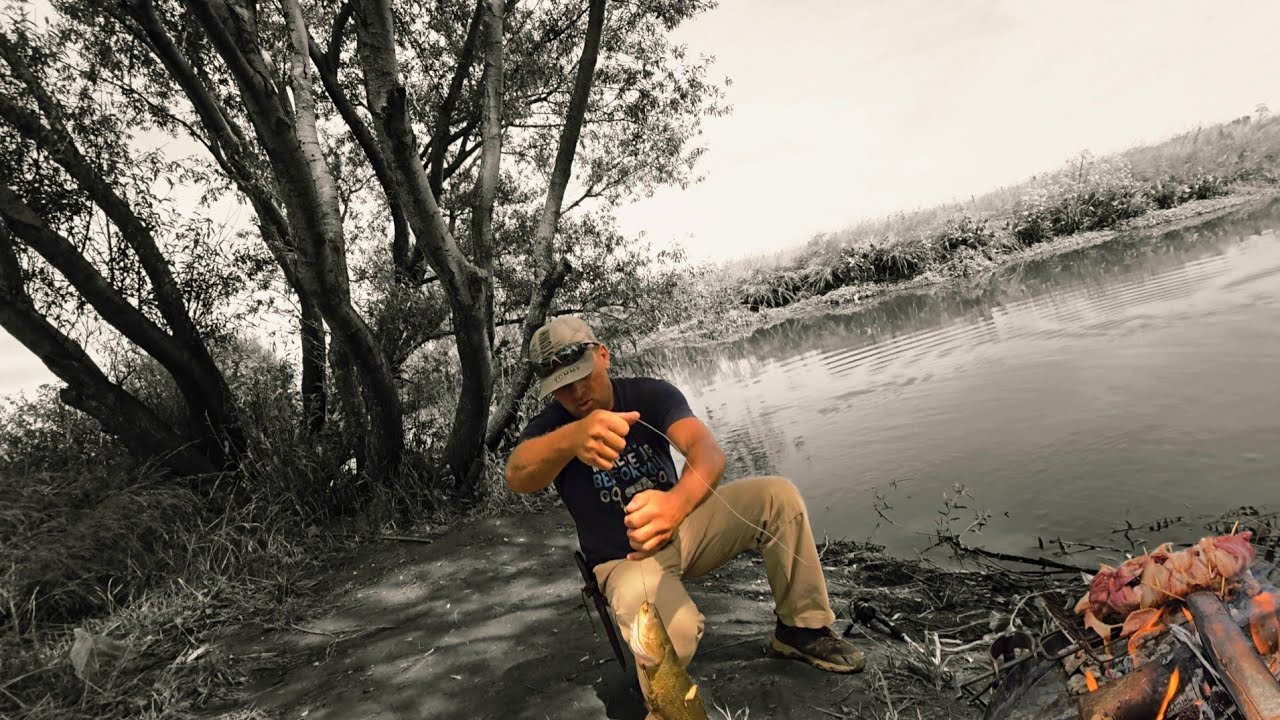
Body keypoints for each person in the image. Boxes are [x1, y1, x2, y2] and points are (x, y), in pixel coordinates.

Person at [504, 316, 865, 712]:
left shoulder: (650, 394)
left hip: (684, 529)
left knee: (778, 498)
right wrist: (573, 437)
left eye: (581, 376)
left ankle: (802, 629)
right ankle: (665, 707)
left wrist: (676, 505)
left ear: (603, 356)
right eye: (561, 387)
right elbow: (518, 474)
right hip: (624, 562)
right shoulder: (553, 427)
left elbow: (707, 453)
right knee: (671, 640)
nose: (576, 393)